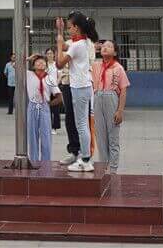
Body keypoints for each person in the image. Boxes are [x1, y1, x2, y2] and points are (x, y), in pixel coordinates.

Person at [55, 13, 98, 172]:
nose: (68, 30)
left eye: (69, 27)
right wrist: (60, 32)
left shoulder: (77, 45)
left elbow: (59, 64)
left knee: (81, 125)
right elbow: (66, 47)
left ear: (76, 28)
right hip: (83, 86)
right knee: (81, 124)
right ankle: (84, 157)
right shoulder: (83, 42)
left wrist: (59, 44)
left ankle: (85, 160)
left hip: (80, 87)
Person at [92, 40, 130, 174]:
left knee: (113, 136)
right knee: (100, 137)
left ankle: (113, 170)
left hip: (111, 97)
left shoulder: (118, 68)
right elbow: (84, 59)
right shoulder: (96, 65)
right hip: (98, 97)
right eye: (103, 46)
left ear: (115, 52)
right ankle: (103, 167)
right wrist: (93, 47)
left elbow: (123, 90)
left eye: (109, 46)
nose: (105, 48)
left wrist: (120, 111)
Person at [23, 54, 60, 165]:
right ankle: (33, 160)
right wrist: (29, 58)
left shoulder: (49, 78)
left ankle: (46, 161)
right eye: (38, 62)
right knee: (32, 135)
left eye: (43, 62)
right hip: (32, 106)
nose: (41, 63)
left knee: (46, 135)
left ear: (46, 65)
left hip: (44, 106)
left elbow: (59, 96)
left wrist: (49, 104)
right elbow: (16, 65)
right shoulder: (28, 75)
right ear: (33, 65)